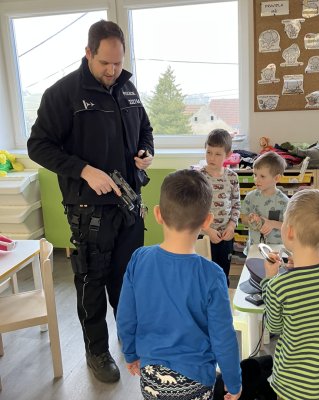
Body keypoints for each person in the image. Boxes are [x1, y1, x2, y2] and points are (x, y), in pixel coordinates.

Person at [27, 20, 154, 383]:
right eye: (104, 63)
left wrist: (146, 152)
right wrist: (83, 170)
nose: (112, 71)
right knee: (92, 281)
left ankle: (129, 338)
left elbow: (145, 129)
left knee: (128, 278)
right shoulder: (63, 94)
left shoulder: (128, 88)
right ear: (88, 53)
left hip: (129, 203)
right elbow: (38, 146)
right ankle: (96, 351)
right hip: (88, 209)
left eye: (118, 62)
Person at [116, 169, 242, 400]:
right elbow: (223, 337)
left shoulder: (139, 259)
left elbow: (125, 316)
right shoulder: (212, 274)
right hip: (196, 380)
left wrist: (130, 353)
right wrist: (233, 382)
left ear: (158, 214)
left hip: (151, 377)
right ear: (207, 221)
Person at [261, 189, 319, 400]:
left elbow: (274, 327)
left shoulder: (279, 286)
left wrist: (269, 279)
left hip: (294, 388)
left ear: (289, 232)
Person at [200, 129, 240, 286]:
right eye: (209, 152)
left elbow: (236, 205)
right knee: (203, 277)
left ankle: (222, 300)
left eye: (217, 154)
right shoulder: (198, 177)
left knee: (222, 276)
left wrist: (231, 226)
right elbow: (194, 209)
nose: (212, 158)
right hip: (204, 235)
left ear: (228, 154)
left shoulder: (232, 177)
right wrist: (207, 230)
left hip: (225, 236)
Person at [241, 152, 288, 254]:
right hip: (254, 246)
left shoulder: (284, 201)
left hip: (276, 249)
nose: (256, 179)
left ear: (276, 178)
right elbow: (243, 218)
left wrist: (272, 224)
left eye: (262, 176)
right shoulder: (250, 197)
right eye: (255, 175)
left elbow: (289, 226)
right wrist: (250, 219)